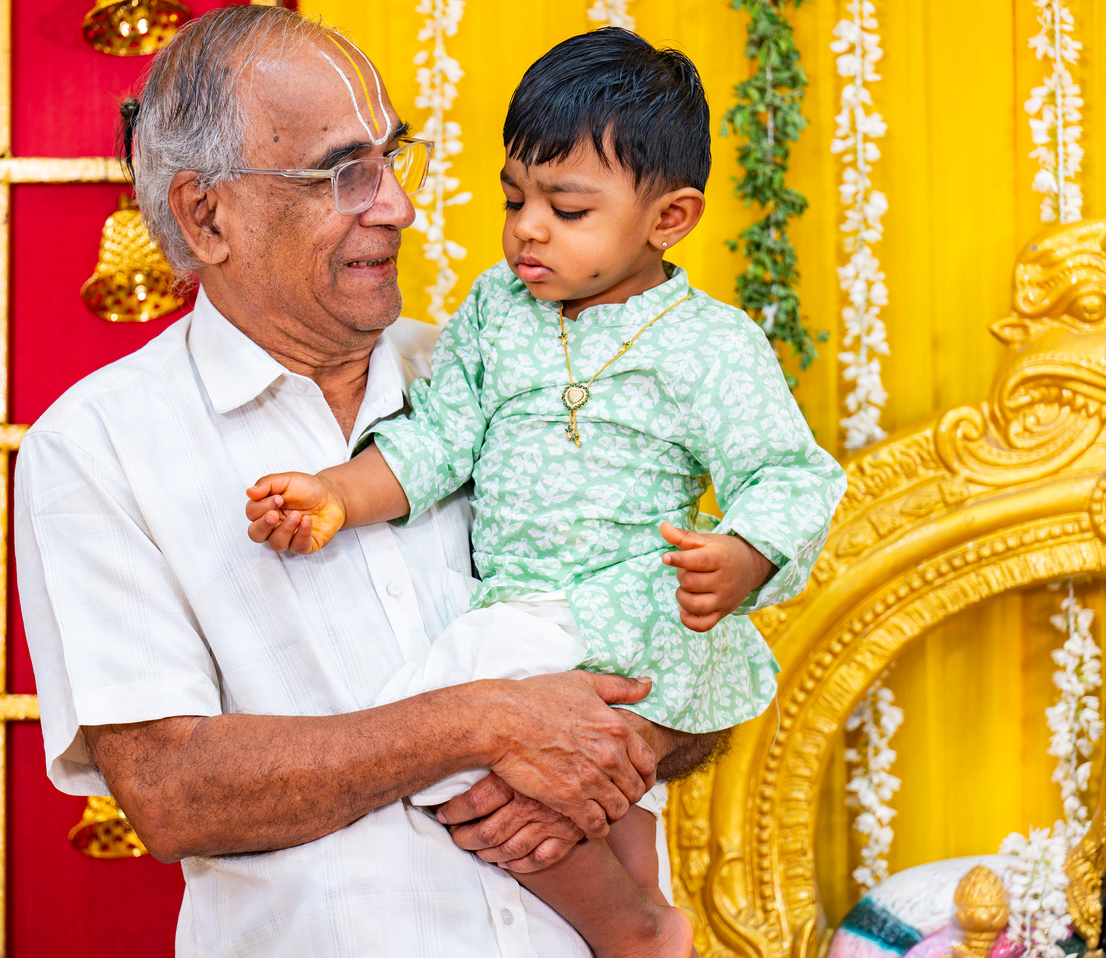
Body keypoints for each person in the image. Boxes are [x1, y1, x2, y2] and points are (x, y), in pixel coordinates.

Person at [15, 6, 727, 957]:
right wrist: (480, 724)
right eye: (342, 173)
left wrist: (618, 752)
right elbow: (172, 792)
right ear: (205, 215)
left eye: (393, 158)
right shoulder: (99, 446)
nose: (396, 206)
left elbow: (698, 649)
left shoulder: (503, 378)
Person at [243, 27, 847, 958]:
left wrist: (745, 554)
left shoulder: (711, 344)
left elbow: (789, 474)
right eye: (514, 198)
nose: (528, 227)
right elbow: (439, 436)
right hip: (526, 598)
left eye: (566, 209)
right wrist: (336, 494)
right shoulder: (499, 309)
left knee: (438, 734)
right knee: (609, 804)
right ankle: (652, 925)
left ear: (669, 218)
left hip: (631, 604)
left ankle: (631, 929)